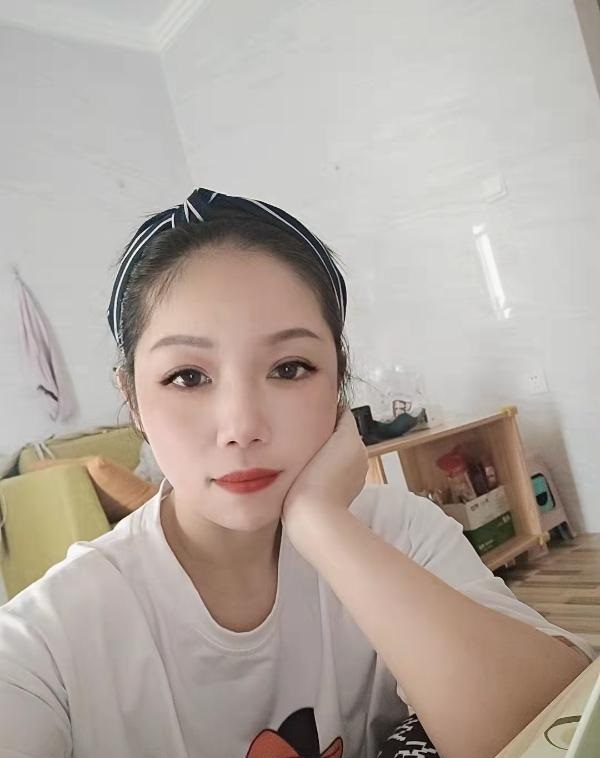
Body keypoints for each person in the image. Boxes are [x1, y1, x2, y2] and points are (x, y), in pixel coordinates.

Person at [0, 188, 592, 758]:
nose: (241, 426)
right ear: (132, 399)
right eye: (187, 377)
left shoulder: (399, 533)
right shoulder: (52, 639)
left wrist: (322, 524)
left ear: (338, 382)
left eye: (289, 368)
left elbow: (557, 727)